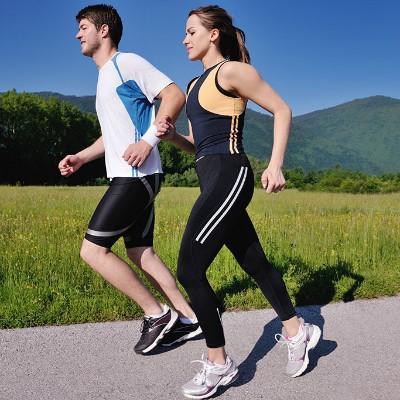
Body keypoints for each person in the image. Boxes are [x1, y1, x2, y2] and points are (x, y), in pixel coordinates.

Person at [156, 5, 321, 399]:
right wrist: (173, 137)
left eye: (191, 31)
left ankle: (219, 363)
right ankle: (297, 330)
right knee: (255, 262)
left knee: (189, 269)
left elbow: (282, 109)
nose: (184, 39)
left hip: (231, 176)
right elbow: (199, 145)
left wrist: (275, 165)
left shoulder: (231, 71)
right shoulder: (194, 85)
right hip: (212, 180)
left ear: (213, 34)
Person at [58, 4, 201, 355]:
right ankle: (188, 317)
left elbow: (174, 95)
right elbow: (114, 135)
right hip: (135, 175)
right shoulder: (106, 76)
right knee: (141, 252)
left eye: (83, 27)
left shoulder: (127, 63)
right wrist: (82, 157)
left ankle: (157, 314)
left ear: (103, 30)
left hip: (136, 176)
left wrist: (148, 141)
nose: (77, 34)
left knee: (93, 251)